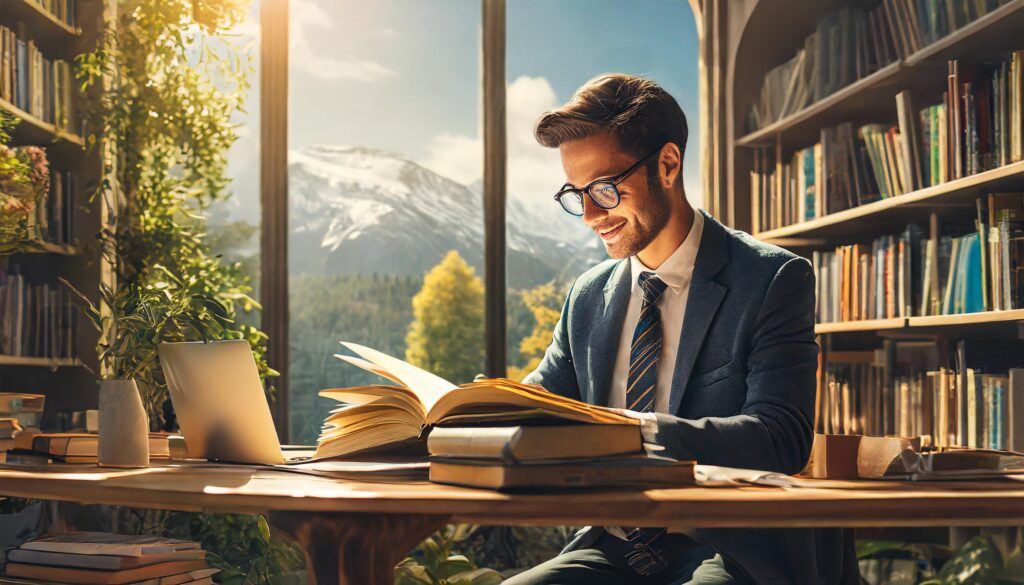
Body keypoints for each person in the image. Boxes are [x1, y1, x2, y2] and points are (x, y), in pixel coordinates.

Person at [506, 73, 848, 584]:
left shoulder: (772, 278)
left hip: (725, 545)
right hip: (610, 547)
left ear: (668, 164)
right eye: (577, 194)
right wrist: (443, 416)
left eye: (605, 187)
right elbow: (538, 407)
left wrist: (634, 432)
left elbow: (782, 437)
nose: (591, 214)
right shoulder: (587, 296)